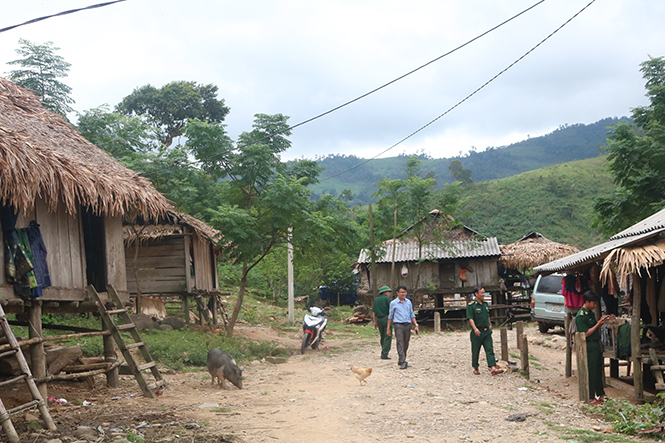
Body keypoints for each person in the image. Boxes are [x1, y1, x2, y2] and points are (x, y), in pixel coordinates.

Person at [575, 290, 610, 403]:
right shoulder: (580, 316)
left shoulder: (590, 313)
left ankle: (600, 393)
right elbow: (584, 334)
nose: (595, 305)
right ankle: (590, 396)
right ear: (587, 302)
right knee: (591, 370)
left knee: (598, 370)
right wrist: (597, 325)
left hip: (596, 343)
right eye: (593, 303)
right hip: (589, 345)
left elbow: (594, 328)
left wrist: (600, 323)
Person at [466, 286, 504, 375]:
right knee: (476, 351)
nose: (483, 294)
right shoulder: (471, 305)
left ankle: (492, 367)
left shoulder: (485, 304)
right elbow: (470, 318)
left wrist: (490, 324)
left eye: (484, 292)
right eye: (481, 293)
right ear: (476, 294)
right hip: (477, 332)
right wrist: (475, 329)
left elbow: (487, 316)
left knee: (489, 349)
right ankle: (476, 367)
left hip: (486, 331)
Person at [387, 285, 419, 369]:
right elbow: (390, 316)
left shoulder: (408, 302)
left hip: (407, 325)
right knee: (400, 342)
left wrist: (416, 325)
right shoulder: (393, 303)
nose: (403, 294)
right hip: (398, 325)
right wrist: (388, 328)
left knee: (406, 343)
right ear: (397, 293)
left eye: (404, 292)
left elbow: (412, 314)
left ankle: (402, 358)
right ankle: (403, 361)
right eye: (401, 292)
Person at [372, 286, 393, 360]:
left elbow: (373, 312)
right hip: (387, 319)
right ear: (384, 292)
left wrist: (374, 321)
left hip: (379, 320)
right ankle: (384, 354)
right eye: (388, 292)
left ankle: (383, 350)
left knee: (382, 336)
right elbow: (392, 309)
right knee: (388, 336)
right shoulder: (388, 299)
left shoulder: (376, 300)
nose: (389, 293)